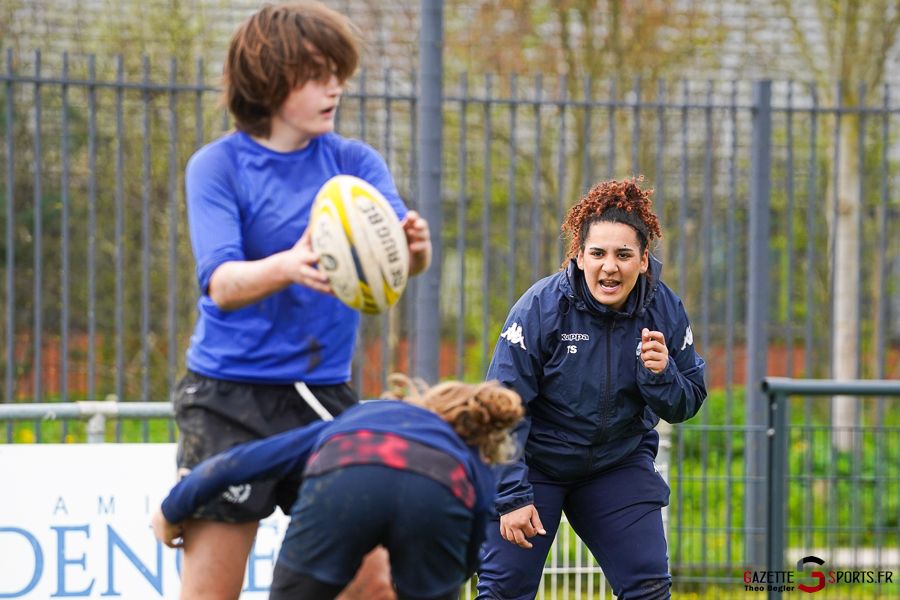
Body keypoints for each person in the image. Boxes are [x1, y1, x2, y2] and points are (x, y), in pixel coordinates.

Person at [174, 3, 431, 600]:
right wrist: (289, 265)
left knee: (372, 579)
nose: (334, 87)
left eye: (338, 72)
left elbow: (391, 275)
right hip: (227, 401)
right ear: (269, 79)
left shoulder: (353, 162)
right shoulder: (217, 167)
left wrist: (413, 248)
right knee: (211, 590)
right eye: (317, 74)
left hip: (321, 393)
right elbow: (221, 284)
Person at [475, 176, 707, 600]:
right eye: (597, 253)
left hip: (616, 464)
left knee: (649, 589)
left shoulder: (665, 309)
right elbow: (500, 410)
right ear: (579, 256)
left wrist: (662, 374)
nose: (610, 266)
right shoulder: (540, 308)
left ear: (642, 260)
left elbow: (688, 400)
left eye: (624, 254)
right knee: (503, 591)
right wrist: (510, 495)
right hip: (534, 465)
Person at [154, 376, 523, 600]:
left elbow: (244, 461)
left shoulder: (360, 417)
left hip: (343, 480)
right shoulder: (470, 459)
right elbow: (472, 551)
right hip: (437, 494)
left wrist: (172, 509)